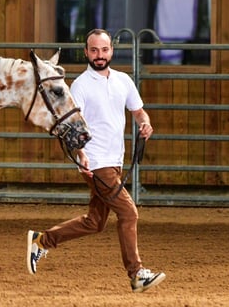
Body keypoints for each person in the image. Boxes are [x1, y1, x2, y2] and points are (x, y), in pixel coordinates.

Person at [26, 29, 166, 293]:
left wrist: (145, 123)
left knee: (95, 222)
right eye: (94, 50)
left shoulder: (124, 81)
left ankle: (42, 241)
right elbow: (71, 125)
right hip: (95, 162)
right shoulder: (79, 86)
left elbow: (138, 111)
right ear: (86, 52)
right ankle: (136, 274)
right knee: (129, 212)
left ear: (111, 50)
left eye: (104, 50)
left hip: (115, 161)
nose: (99, 55)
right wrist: (81, 157)